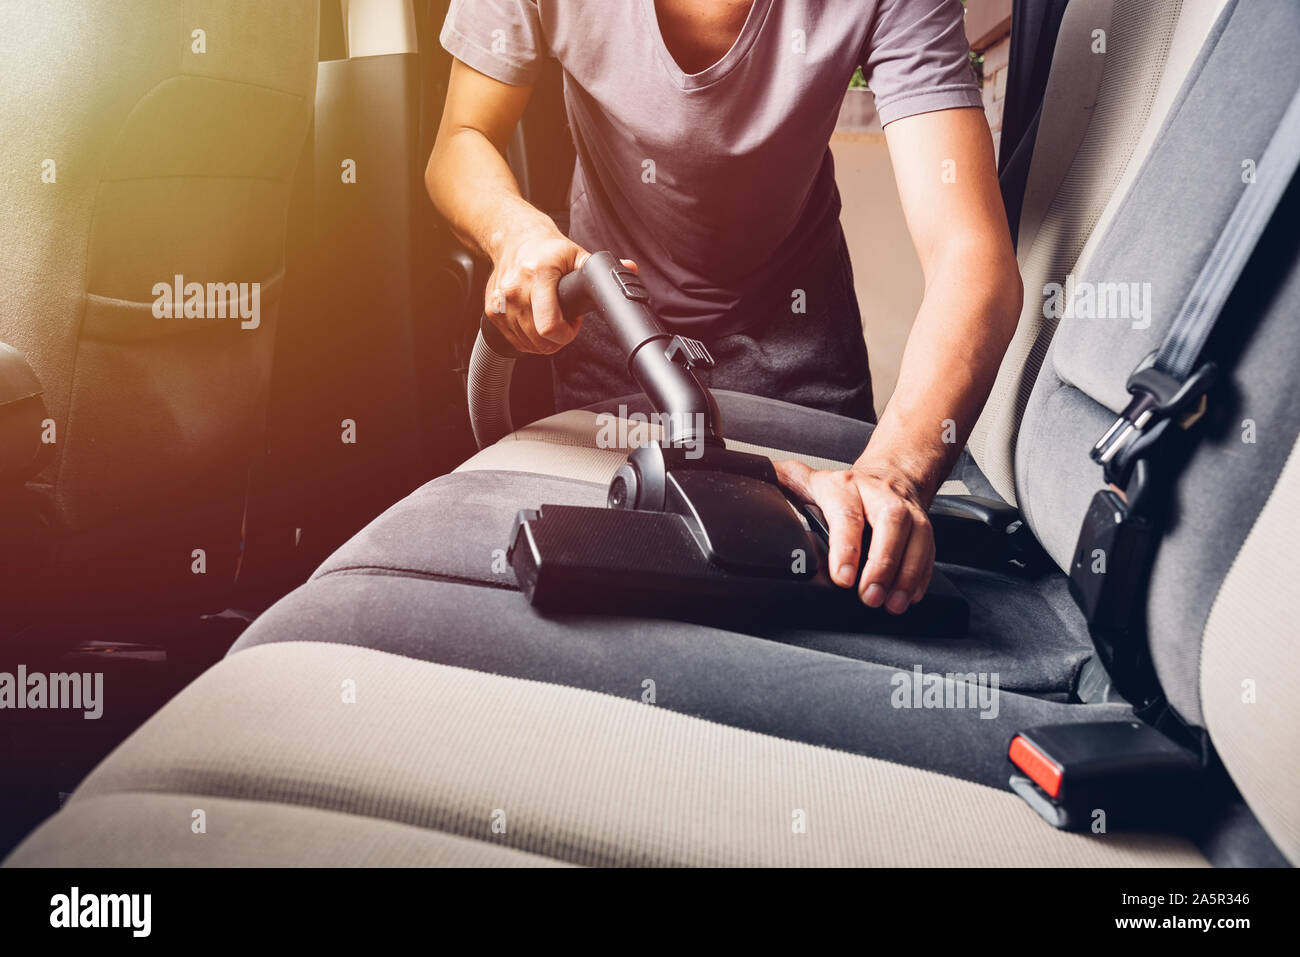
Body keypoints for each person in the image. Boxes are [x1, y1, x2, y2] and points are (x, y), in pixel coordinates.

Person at [426, 0, 1023, 614]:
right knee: (623, 601)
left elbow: (970, 255)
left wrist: (892, 473)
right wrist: (514, 233)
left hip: (801, 349)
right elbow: (462, 138)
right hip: (617, 337)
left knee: (828, 587)